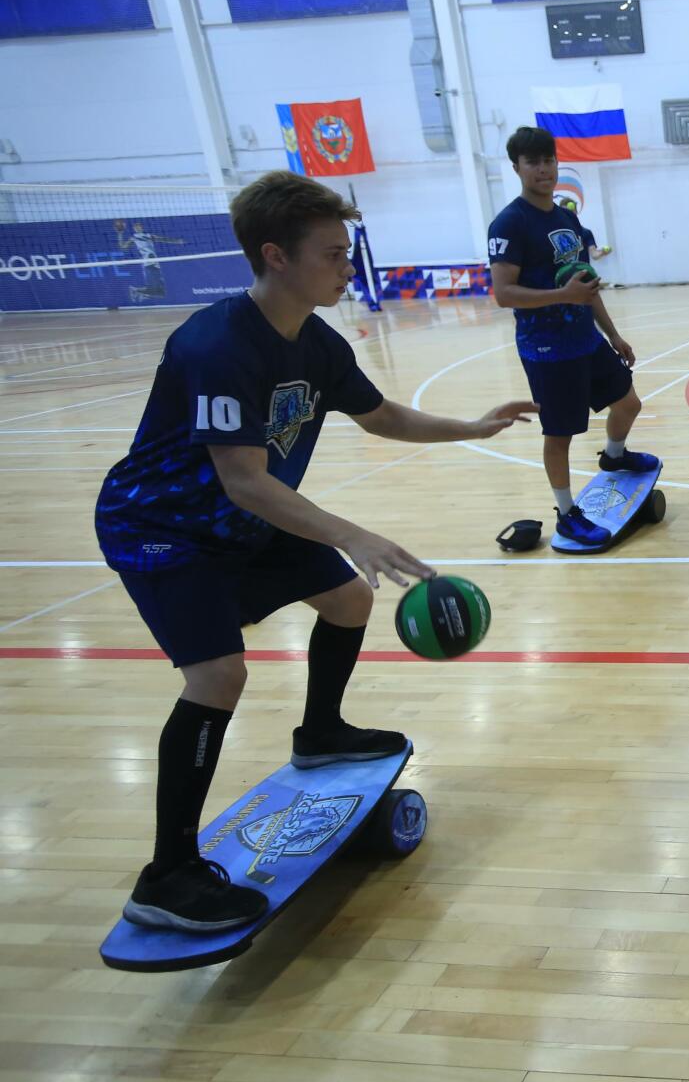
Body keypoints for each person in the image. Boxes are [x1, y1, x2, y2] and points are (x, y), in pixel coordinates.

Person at [94, 171, 536, 931]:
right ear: (276, 255)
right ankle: (166, 876)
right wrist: (352, 533)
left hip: (241, 519)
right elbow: (243, 480)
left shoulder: (318, 341)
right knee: (218, 675)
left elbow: (380, 416)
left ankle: (321, 733)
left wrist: (474, 426)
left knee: (349, 598)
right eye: (332, 253)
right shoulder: (217, 344)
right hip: (163, 526)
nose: (346, 266)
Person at [489, 126, 658, 550]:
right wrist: (562, 296)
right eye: (533, 162)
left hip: (587, 339)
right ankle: (567, 515)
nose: (543, 169)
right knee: (560, 434)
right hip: (547, 350)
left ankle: (614, 456)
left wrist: (613, 333)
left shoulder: (567, 218)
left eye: (548, 160)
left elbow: (586, 283)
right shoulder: (510, 223)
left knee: (629, 403)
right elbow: (503, 293)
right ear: (516, 168)